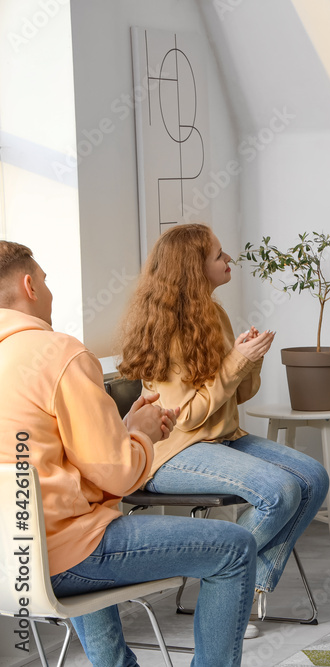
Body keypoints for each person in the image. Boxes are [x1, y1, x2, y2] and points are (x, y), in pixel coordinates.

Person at [0, 241, 257, 666]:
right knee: (234, 547)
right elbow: (117, 475)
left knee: (83, 523)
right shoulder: (58, 353)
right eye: (45, 282)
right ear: (28, 285)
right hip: (63, 555)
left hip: (12, 563)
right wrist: (140, 437)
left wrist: (121, 432)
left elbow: (51, 460)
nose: (49, 291)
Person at [117, 224, 329, 638]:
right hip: (172, 451)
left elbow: (239, 394)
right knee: (279, 491)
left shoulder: (214, 315)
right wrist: (235, 362)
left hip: (222, 439)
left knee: (312, 478)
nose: (229, 259)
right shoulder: (165, 329)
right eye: (218, 255)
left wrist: (250, 359)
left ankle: (241, 588)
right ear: (195, 269)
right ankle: (226, 588)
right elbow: (186, 417)